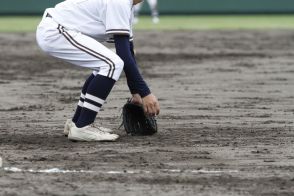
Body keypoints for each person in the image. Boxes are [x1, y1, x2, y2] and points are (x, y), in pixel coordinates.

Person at [36, 0, 160, 142]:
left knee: (108, 63)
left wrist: (136, 92)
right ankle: (83, 127)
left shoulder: (127, 6)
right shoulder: (120, 2)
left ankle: (77, 122)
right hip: (56, 30)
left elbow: (128, 50)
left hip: (58, 28)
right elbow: (124, 55)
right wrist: (145, 93)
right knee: (112, 64)